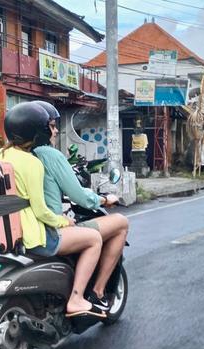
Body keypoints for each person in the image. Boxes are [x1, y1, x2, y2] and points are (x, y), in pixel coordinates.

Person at [0, 102, 105, 318]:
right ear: (38, 133)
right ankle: (76, 298)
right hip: (35, 237)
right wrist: (63, 221)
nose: (52, 131)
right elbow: (41, 210)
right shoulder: (32, 162)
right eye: (49, 127)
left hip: (8, 232)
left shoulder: (0, 155)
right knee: (94, 239)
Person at [30, 100, 129, 312]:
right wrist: (103, 199)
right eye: (53, 126)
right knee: (120, 223)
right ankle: (95, 292)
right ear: (40, 129)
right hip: (49, 229)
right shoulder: (48, 154)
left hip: (26, 229)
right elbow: (77, 195)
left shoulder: (12, 155)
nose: (56, 131)